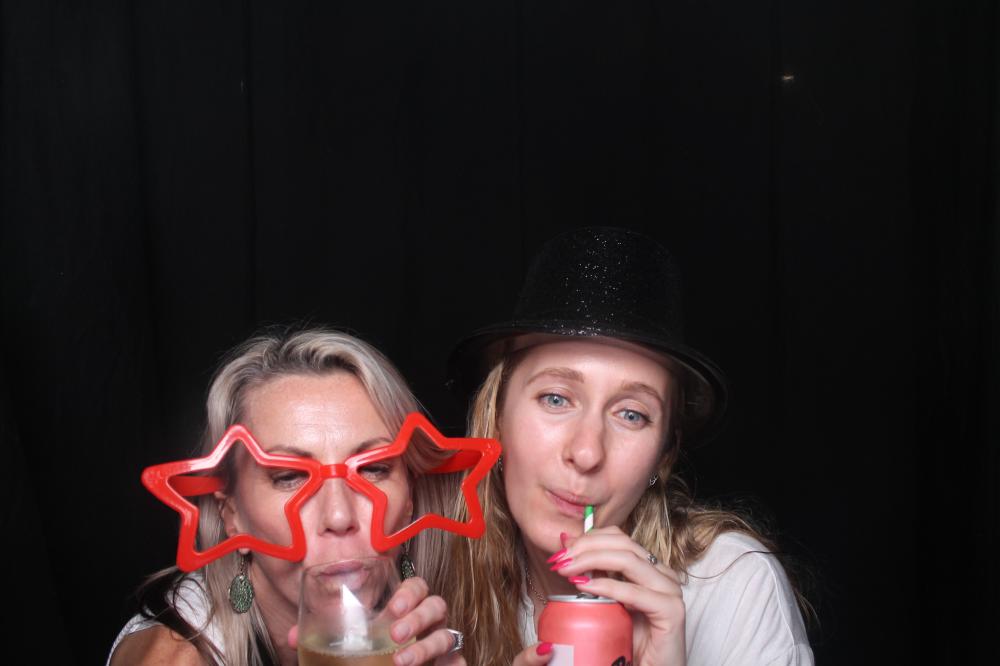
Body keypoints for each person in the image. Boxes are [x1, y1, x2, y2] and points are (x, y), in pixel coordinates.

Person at [444, 227, 813, 665]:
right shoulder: (437, 578)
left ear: (663, 455)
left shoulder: (735, 588)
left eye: (631, 414)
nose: (587, 453)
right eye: (556, 399)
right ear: (497, 419)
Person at [109, 327, 466, 666]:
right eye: (289, 477)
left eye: (373, 469)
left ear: (409, 500)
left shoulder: (437, 618)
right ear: (232, 514)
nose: (339, 516)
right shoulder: (177, 656)